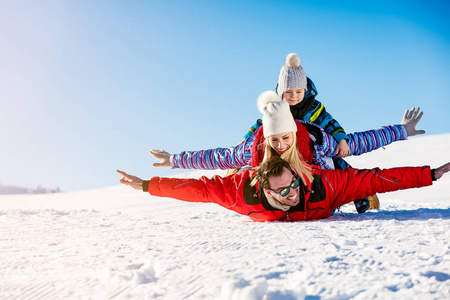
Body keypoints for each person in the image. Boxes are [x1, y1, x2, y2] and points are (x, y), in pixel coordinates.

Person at [149, 91, 424, 212]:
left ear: (294, 132)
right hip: (283, 189)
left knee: (341, 169)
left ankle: (363, 195)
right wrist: (174, 159)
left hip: (319, 184)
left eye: (285, 138)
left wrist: (401, 131)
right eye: (274, 140)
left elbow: (361, 141)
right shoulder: (254, 149)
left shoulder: (316, 140)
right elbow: (215, 156)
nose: (280, 146)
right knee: (236, 169)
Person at [116, 156, 450, 223]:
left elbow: (380, 177)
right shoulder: (238, 192)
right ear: (265, 190)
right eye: (283, 192)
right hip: (247, 171)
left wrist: (431, 173)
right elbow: (194, 188)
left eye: (292, 185)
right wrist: (146, 185)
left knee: (356, 182)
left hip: (331, 187)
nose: (292, 194)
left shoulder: (321, 184)